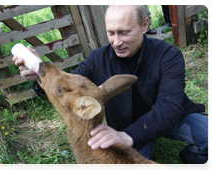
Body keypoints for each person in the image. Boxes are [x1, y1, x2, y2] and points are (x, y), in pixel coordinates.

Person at [13, 5, 210, 170]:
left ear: (144, 25)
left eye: (124, 32)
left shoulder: (169, 56)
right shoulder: (97, 58)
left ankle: (192, 155)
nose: (116, 42)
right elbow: (68, 86)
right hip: (126, 127)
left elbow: (170, 108)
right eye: (111, 33)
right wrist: (39, 76)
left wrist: (128, 136)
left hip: (165, 121)